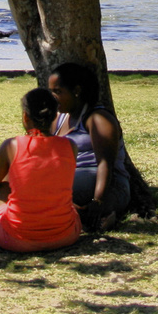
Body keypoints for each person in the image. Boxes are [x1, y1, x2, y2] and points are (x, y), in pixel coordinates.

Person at [0, 87, 81, 253]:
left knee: (4, 183)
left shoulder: (11, 146)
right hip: (65, 235)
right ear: (54, 116)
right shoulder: (70, 146)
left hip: (16, 238)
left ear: (25, 116)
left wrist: (8, 174)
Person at [50, 61, 131, 230]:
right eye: (51, 92)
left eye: (58, 92)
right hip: (70, 182)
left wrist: (98, 201)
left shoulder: (98, 119)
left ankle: (92, 215)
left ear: (77, 91)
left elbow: (105, 164)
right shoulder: (59, 118)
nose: (53, 97)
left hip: (107, 187)